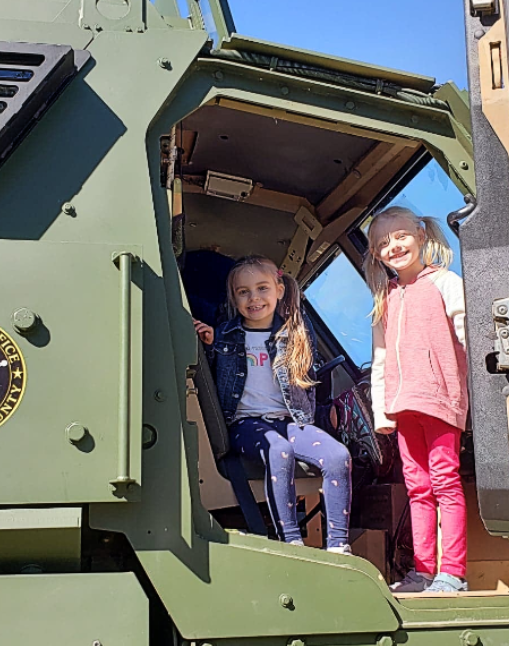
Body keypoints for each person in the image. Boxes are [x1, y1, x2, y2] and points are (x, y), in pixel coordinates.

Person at [194, 255, 353, 553]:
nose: (254, 298)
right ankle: (291, 540)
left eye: (262, 288)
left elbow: (306, 384)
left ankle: (338, 545)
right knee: (278, 451)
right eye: (243, 292)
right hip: (247, 424)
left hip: (291, 420)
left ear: (279, 290)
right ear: (234, 298)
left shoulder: (295, 334)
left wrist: (318, 417)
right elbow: (215, 363)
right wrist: (209, 342)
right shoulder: (226, 335)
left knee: (337, 456)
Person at [366, 207, 469, 593]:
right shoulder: (385, 300)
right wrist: (382, 409)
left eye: (400, 237)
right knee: (417, 487)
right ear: (376, 255)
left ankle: (452, 572)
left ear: (421, 236)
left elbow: (466, 331)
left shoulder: (445, 282)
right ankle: (423, 572)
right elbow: (380, 359)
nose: (393, 247)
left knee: (445, 482)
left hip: (441, 400)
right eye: (382, 244)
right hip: (404, 404)